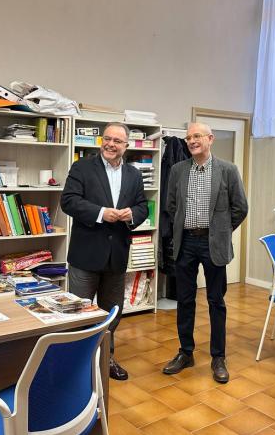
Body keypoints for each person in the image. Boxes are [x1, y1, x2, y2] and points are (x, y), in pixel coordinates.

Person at [161, 122, 248, 383]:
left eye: (197, 136)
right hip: (186, 243)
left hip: (213, 244)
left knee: (215, 301)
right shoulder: (177, 170)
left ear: (210, 139)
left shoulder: (228, 170)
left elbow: (240, 208)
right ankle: (185, 352)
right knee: (184, 301)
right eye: (188, 137)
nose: (191, 141)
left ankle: (218, 357)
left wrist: (220, 231)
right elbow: (171, 205)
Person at [61, 122, 148, 380]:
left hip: (117, 256)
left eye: (117, 141)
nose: (110, 144)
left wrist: (133, 214)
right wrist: (101, 213)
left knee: (112, 313)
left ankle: (106, 359)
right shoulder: (82, 167)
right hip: (86, 255)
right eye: (107, 139)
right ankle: (75, 367)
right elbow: (69, 201)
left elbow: (143, 205)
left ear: (126, 146)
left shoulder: (134, 174)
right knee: (78, 313)